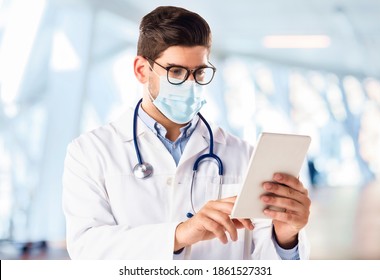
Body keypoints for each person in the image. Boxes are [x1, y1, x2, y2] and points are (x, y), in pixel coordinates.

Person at [62, 6, 311, 260]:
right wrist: (179, 234)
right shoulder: (89, 153)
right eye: (176, 72)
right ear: (141, 70)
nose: (190, 84)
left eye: (199, 72)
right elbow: (87, 249)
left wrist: (286, 237)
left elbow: (264, 264)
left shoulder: (243, 155)